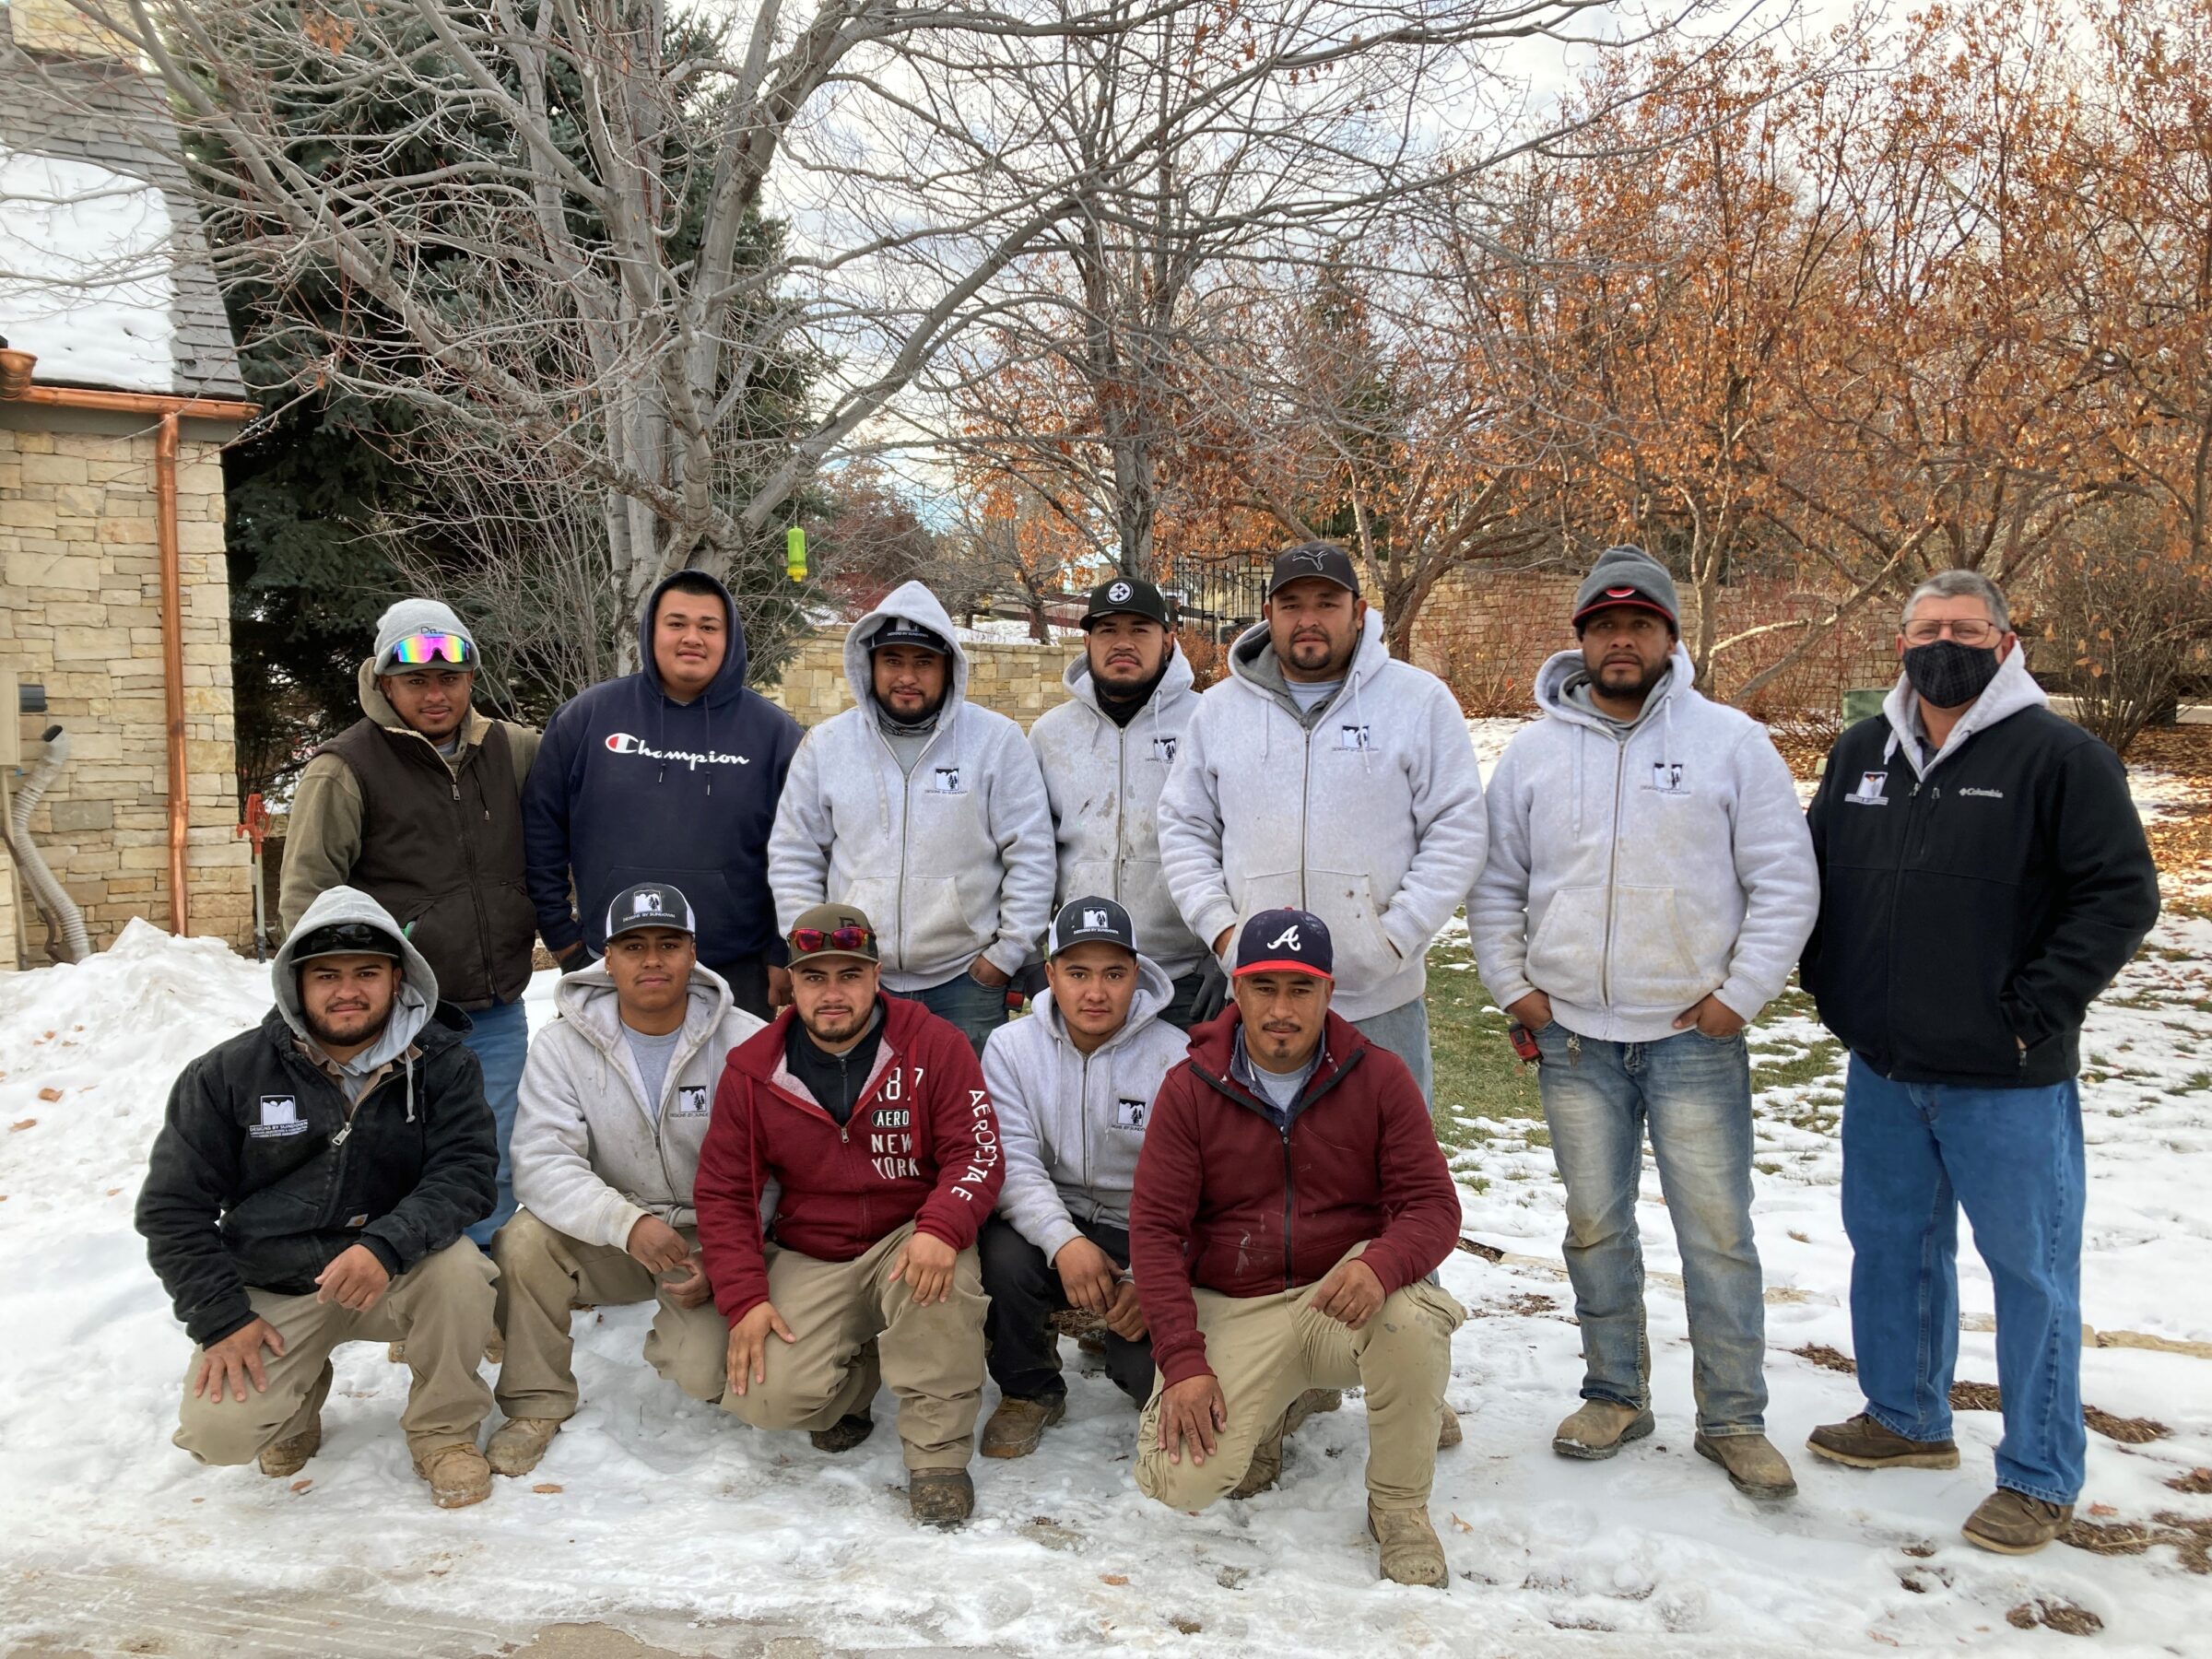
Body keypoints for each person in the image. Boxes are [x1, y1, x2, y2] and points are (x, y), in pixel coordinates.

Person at [1800, 570, 2159, 1555]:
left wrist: (2031, 1013)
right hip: (1884, 1066)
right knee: (1892, 1250)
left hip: (2007, 1077)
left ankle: (2041, 1473)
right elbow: (1811, 875)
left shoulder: (2061, 757)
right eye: (1925, 629)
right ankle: (1907, 1418)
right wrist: (1832, 990)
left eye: (1964, 628)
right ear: (1901, 643)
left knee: (2031, 1274)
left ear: (2004, 642)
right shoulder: (1862, 751)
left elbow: (2119, 897)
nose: (1942, 643)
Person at [1468, 546, 1818, 1500]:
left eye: (1641, 624)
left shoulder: (1731, 745)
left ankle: (1734, 1418)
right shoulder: (1535, 756)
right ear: (1581, 640)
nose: (1622, 640)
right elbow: (1495, 885)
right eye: (1604, 625)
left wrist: (1736, 997)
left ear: (1671, 637)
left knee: (1716, 1231)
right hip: (1575, 1039)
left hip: (1690, 1039)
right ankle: (1614, 1392)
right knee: (1594, 1225)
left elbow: (1785, 883)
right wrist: (1515, 987)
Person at [1128, 908, 1466, 1587]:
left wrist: (1381, 1265)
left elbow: (1433, 1206)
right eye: (1264, 988)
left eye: (1301, 989)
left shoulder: (1379, 1077)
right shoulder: (1190, 1088)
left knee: (1411, 1323)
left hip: (1341, 1296)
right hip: (1235, 1302)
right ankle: (1287, 1399)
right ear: (1238, 991)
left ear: (1328, 993)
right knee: (1180, 1483)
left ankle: (1398, 1505)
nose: (1281, 1009)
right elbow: (1156, 1233)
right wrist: (1185, 1362)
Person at [135, 887, 500, 1509]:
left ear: (398, 978)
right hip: (276, 1283)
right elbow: (172, 1209)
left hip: (394, 1273)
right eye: (326, 975)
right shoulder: (227, 1075)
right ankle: (297, 1401)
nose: (346, 990)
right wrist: (222, 1320)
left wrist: (385, 1246)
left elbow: (466, 1173)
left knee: (463, 1270)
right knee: (218, 1436)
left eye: (366, 973)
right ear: (295, 984)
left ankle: (444, 1432)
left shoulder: (443, 1065)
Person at [693, 903, 1005, 1525]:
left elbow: (977, 1153)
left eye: (848, 975)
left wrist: (942, 1227)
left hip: (907, 1238)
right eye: (814, 977)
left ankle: (937, 1455)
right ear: (791, 982)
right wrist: (747, 1298)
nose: (832, 994)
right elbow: (725, 1191)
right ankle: (855, 1382)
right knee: (769, 1397)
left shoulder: (934, 1045)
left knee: (939, 1282)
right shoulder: (754, 1071)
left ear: (875, 974)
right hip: (814, 1251)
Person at [1157, 542, 1486, 1100]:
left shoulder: (1418, 701)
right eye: (1291, 605)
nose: (1308, 620)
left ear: (1359, 612)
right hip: (1260, 999)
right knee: (1258, 1171)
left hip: (1379, 1001)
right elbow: (1184, 827)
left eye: (1326, 603)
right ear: (1268, 615)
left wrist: (1395, 937)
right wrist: (1222, 930)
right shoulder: (1220, 710)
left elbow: (1457, 827)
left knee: (1388, 1171)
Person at [278, 598, 540, 1244]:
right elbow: (308, 898)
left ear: (470, 679)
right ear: (382, 679)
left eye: (449, 678)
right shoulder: (345, 768)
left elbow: (586, 799)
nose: (434, 695)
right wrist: (330, 1005)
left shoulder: (513, 750)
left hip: (494, 1005)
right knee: (399, 1155)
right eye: (415, 680)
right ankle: (417, 1287)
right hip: (398, 1015)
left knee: (494, 1149)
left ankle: (484, 1284)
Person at [483, 881, 766, 1477]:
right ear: (606, 958)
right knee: (524, 1241)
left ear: (693, 953)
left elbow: (780, 1170)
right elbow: (541, 1160)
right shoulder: (562, 1044)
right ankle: (535, 1402)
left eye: (669, 943)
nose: (653, 960)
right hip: (616, 1231)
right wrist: (625, 1223)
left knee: (706, 1373)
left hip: (712, 1240)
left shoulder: (746, 1040)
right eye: (633, 946)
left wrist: (727, 1253)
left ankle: (692, 1342)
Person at [767, 580, 1053, 1056]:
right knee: (860, 1119)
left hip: (964, 982)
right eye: (893, 661)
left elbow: (1032, 853)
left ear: (949, 669)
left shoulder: (996, 741)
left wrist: (1003, 957)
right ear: (869, 665)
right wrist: (813, 948)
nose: (907, 676)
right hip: (853, 975)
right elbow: (794, 853)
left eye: (924, 662)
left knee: (961, 1119)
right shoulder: (827, 745)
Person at [524, 570, 803, 1019]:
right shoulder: (587, 718)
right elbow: (541, 832)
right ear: (650, 631)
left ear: (728, 638)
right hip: (609, 964)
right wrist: (562, 937)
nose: (692, 637)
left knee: (733, 1093)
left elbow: (800, 850)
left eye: (708, 627)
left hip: (737, 974)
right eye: (676, 623)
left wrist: (780, 950)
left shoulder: (774, 734)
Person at [975, 896, 1188, 1457]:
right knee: (999, 1254)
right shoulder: (1010, 1048)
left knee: (1147, 1377)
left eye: (1114, 974)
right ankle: (1030, 1389)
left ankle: (1123, 1351)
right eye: (1078, 973)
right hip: (1055, 1215)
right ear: (1050, 975)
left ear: (1137, 976)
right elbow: (1012, 1160)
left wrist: (1146, 1277)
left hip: (1142, 1227)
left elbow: (1193, 1188)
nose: (1096, 992)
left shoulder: (1176, 1056)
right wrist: (1064, 1242)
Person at [1027, 577, 1215, 1028]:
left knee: (1183, 1099)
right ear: (1088, 640)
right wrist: (1033, 949)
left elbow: (1239, 841)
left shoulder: (1208, 722)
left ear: (1169, 640)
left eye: (1140, 629)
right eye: (1108, 630)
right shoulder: (1050, 735)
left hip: (1186, 972)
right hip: (1083, 974)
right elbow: (1032, 855)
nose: (1123, 643)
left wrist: (1220, 952)